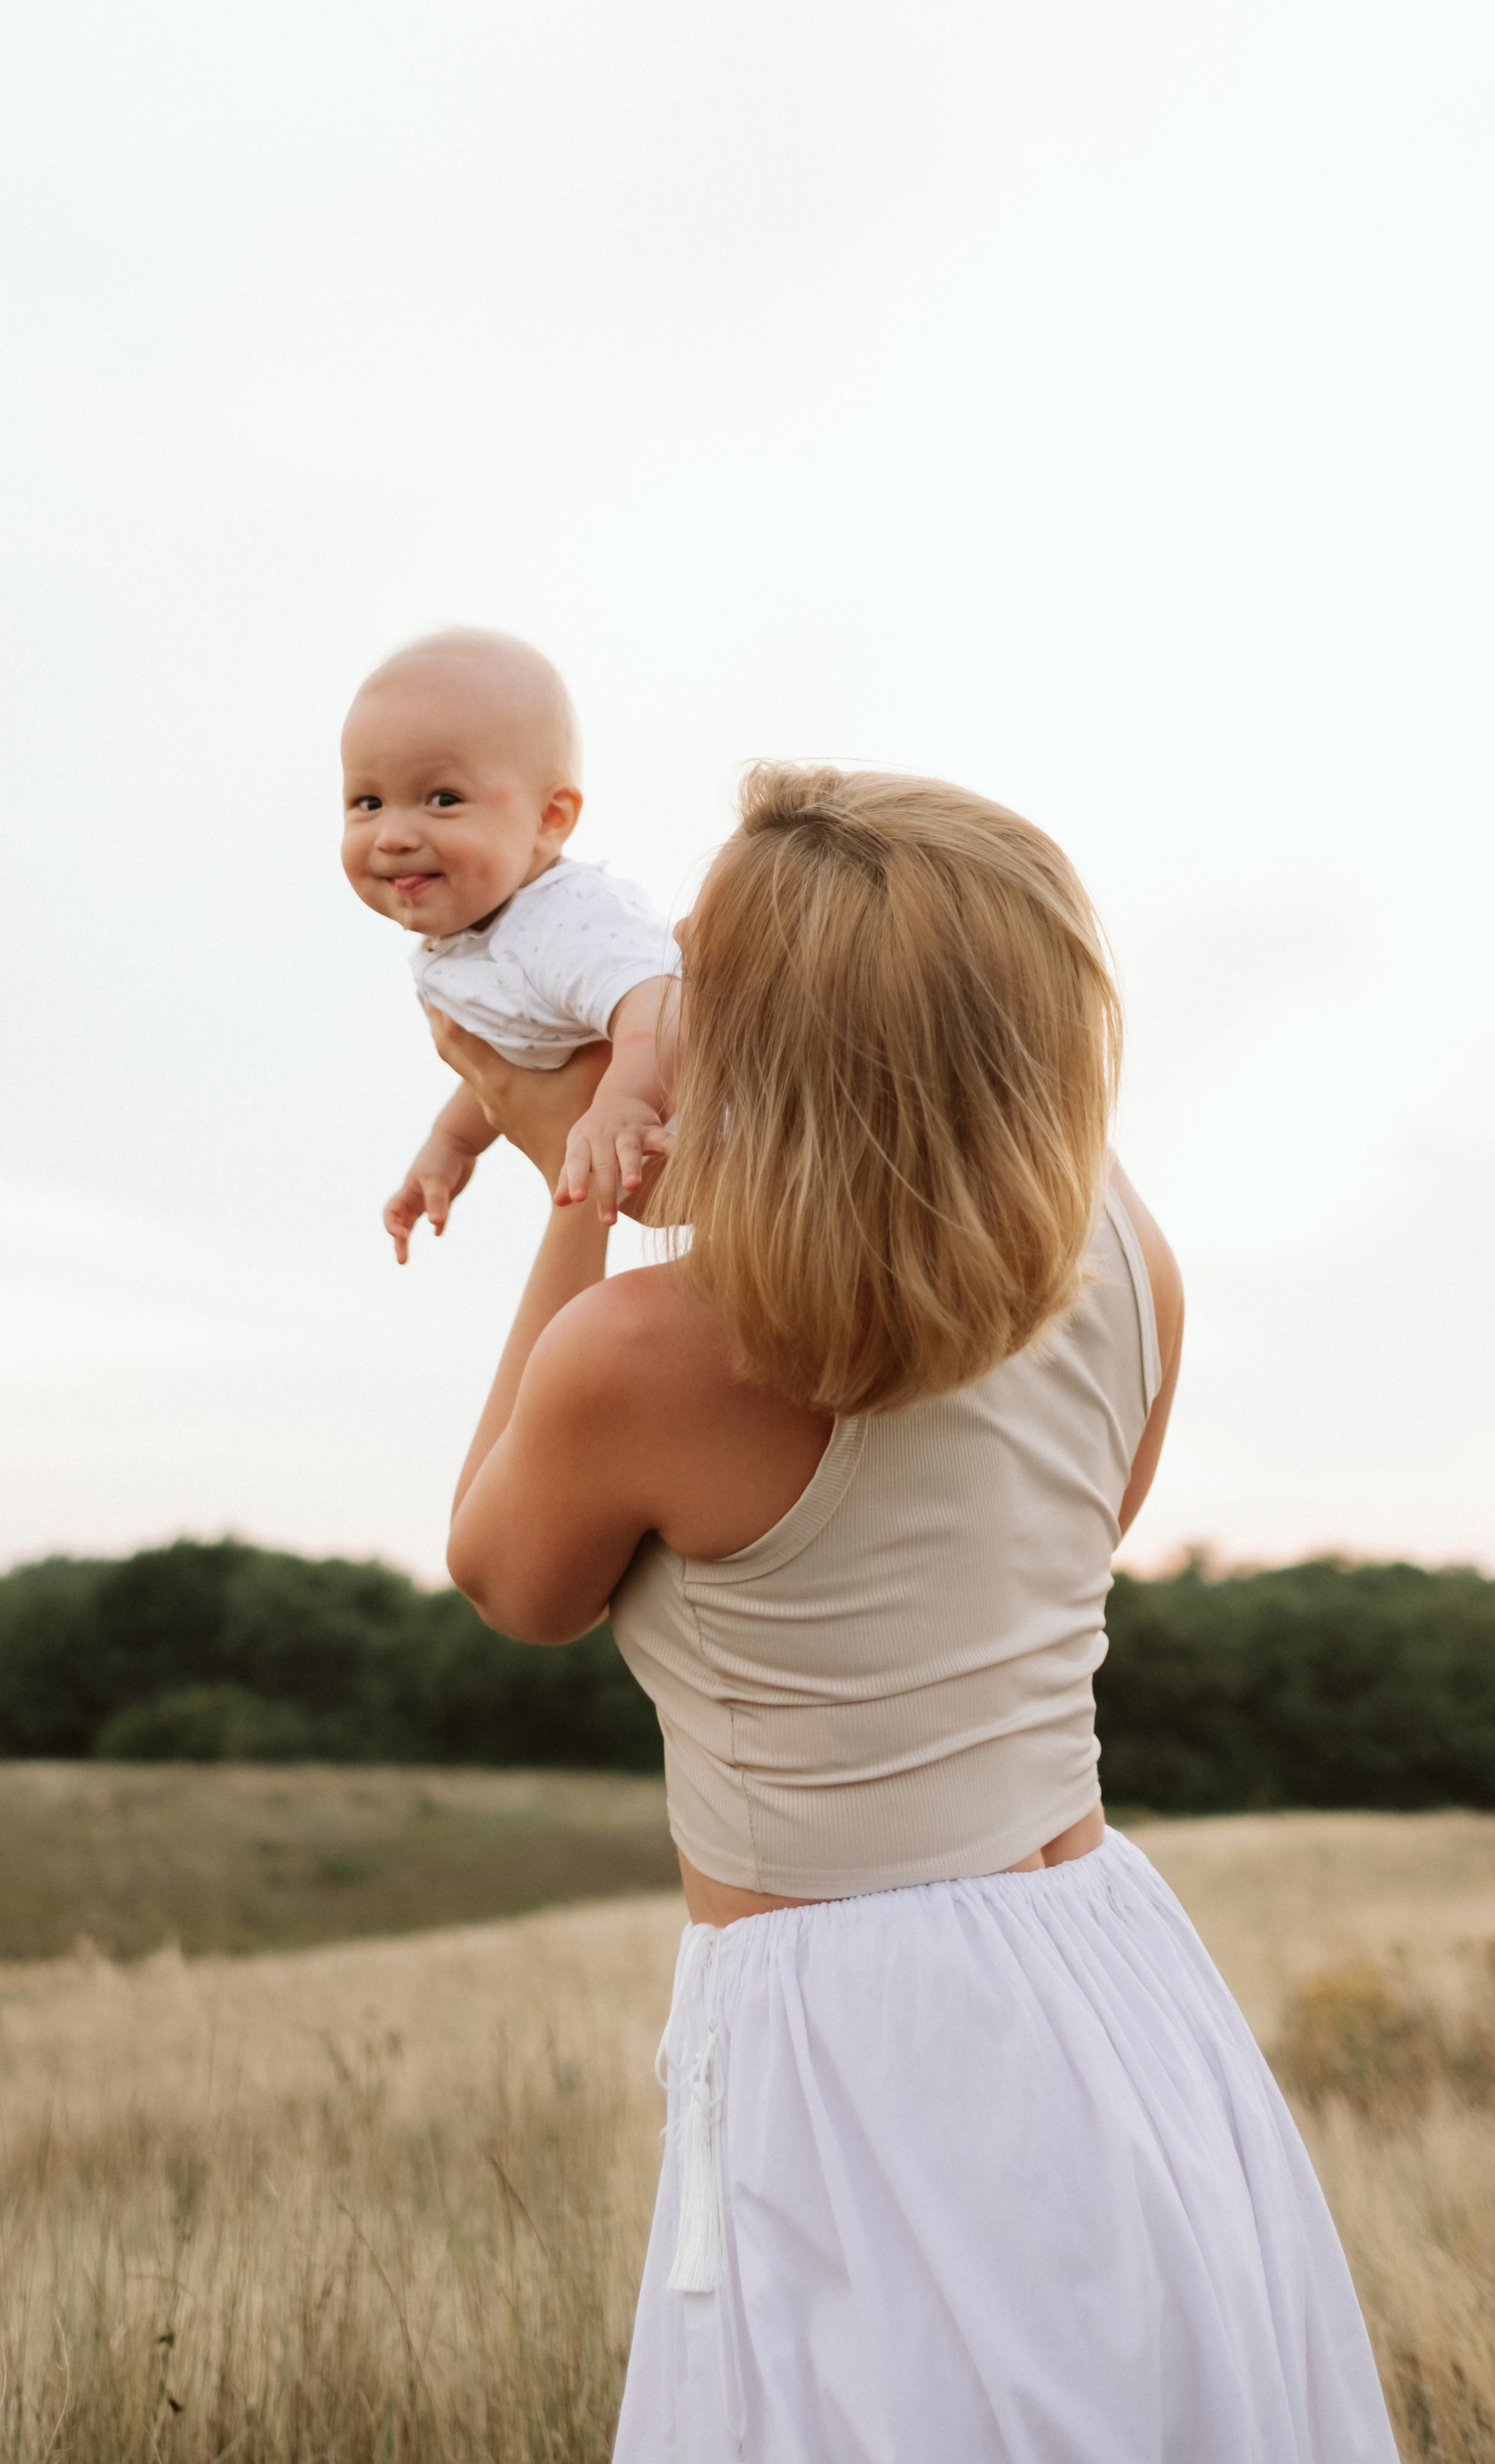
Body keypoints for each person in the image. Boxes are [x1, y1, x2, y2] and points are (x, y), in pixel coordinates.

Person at [437, 763, 1398, 2462]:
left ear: (791, 1046)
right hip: (1110, 1953)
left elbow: (510, 1578)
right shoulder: (1121, 1240)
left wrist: (573, 1189)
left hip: (854, 2028)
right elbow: (1069, 1537)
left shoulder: (649, 1349)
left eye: (702, 984)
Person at [340, 627, 679, 1260]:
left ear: (549, 819)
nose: (391, 834)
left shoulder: (563, 918)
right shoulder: (468, 946)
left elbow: (663, 1003)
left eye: (442, 798)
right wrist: (452, 1143)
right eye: (367, 801)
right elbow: (523, 1047)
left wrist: (627, 1099)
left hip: (772, 1157)